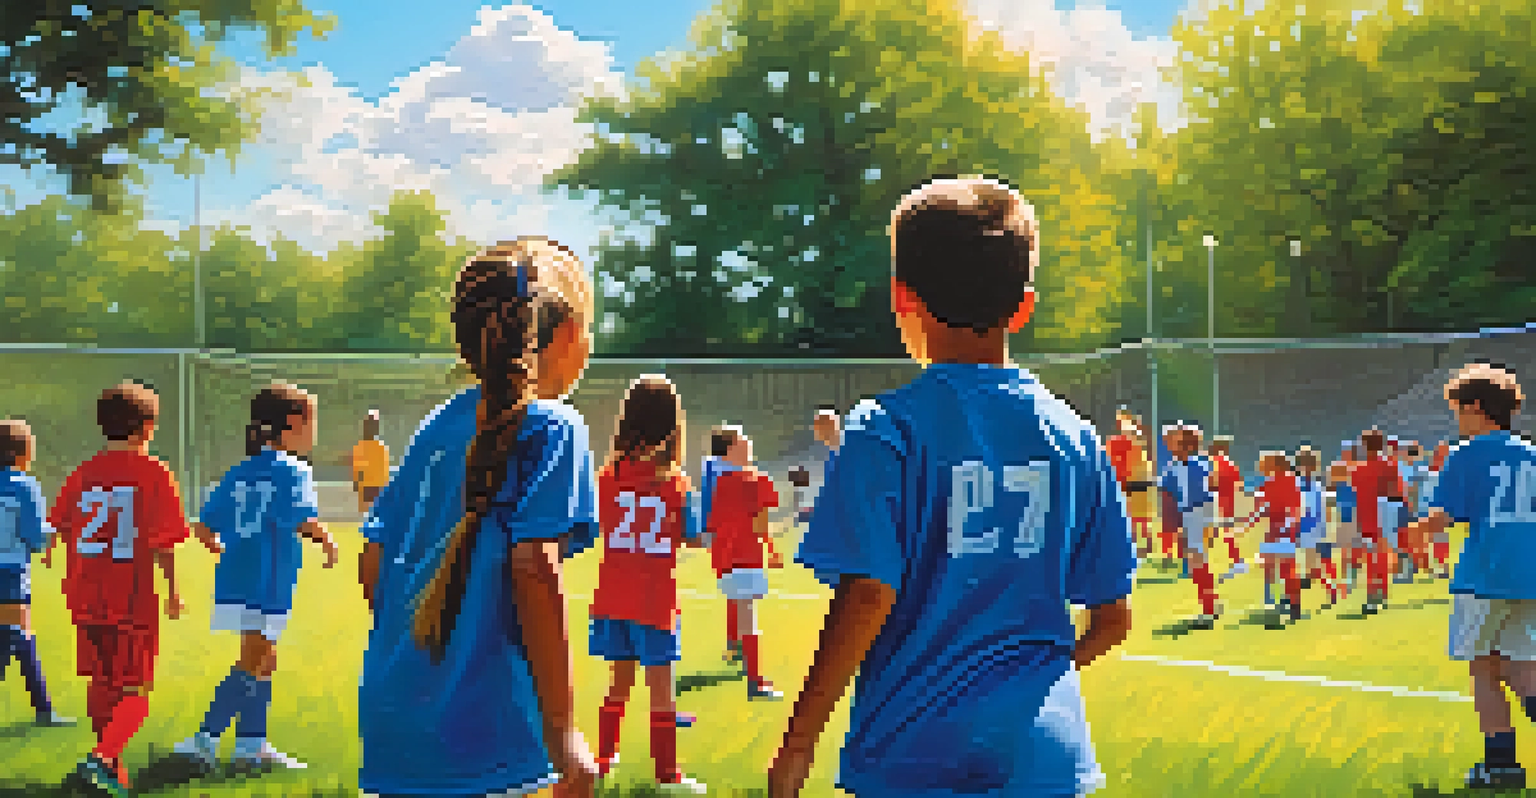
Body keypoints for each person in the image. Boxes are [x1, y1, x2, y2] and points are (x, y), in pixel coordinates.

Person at [769, 177, 1135, 798]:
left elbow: (866, 595)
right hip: (1044, 758)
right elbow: (1113, 618)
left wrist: (799, 740)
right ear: (1024, 307)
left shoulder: (884, 429)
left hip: (916, 753)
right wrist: (1032, 684)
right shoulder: (1076, 437)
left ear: (900, 298)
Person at [356, 238, 600, 798]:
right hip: (494, 737)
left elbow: (373, 564)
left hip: (393, 731)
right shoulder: (555, 428)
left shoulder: (434, 429)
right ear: (563, 336)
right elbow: (535, 566)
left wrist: (423, 656)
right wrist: (562, 733)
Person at [46, 381, 210, 793]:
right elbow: (164, 543)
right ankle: (99, 760)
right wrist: (173, 591)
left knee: (101, 685)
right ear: (149, 427)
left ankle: (109, 771)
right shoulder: (154, 473)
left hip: (83, 594)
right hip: (131, 597)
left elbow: (61, 527)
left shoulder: (84, 472)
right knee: (136, 691)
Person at [171, 384, 339, 772]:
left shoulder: (240, 471)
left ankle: (251, 747)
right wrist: (327, 541)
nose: (315, 432)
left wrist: (219, 548)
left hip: (235, 578)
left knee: (265, 659)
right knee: (253, 660)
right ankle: (202, 741)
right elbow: (301, 516)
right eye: (312, 422)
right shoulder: (294, 469)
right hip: (268, 580)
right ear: (295, 423)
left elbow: (203, 527)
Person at [1402, 362, 1536, 790]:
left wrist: (1414, 531)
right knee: (1522, 665)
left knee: (1483, 667)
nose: (1457, 421)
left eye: (1459, 411)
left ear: (1477, 408)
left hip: (1485, 574)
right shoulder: (1531, 454)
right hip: (1529, 575)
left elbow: (1444, 516)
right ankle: (1503, 767)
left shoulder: (1468, 453)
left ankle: (1501, 766)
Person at [588, 375, 706, 793]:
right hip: (654, 600)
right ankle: (667, 776)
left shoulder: (606, 477)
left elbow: (598, 525)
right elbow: (692, 535)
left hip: (612, 596)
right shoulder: (674, 483)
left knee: (617, 685)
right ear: (673, 426)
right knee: (662, 693)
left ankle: (602, 760)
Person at [0, 419, 73, 727]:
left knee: (16, 635)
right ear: (21, 453)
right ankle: (45, 711)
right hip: (10, 570)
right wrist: (59, 531)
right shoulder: (24, 485)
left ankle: (44, 709)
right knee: (15, 636)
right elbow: (35, 536)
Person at [707, 425, 783, 700]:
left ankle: (738, 655)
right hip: (746, 555)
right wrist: (772, 550)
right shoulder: (756, 479)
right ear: (729, 451)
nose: (748, 443)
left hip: (724, 557)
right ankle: (756, 682)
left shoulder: (721, 483)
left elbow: (715, 524)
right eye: (742, 441)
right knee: (750, 616)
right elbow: (761, 523)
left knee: (742, 610)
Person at [1162, 424, 1220, 627]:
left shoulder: (1185, 465)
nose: (1168, 442)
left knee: (1197, 561)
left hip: (1197, 514)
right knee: (1197, 562)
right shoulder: (1196, 464)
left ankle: (1209, 609)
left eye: (1174, 439)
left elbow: (1169, 496)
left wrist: (1173, 522)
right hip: (1195, 515)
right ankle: (1212, 603)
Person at [1352, 429, 1403, 614]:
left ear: (1364, 446)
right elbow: (1396, 492)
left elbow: (1356, 494)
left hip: (1367, 515)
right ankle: (1381, 594)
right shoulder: (1390, 466)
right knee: (1381, 556)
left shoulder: (1357, 469)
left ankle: (1373, 596)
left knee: (1371, 557)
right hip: (1384, 514)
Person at [1253, 452, 1302, 622]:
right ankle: (1294, 604)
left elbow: (1261, 506)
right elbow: (1295, 506)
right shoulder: (1292, 480)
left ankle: (1272, 599)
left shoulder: (1270, 483)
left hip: (1276, 529)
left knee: (1271, 566)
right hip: (1288, 529)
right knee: (1288, 569)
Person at [1208, 435, 1245, 572]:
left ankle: (1237, 561)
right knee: (1223, 533)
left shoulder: (1219, 462)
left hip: (1220, 502)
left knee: (1217, 533)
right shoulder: (1230, 463)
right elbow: (1239, 484)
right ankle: (1236, 560)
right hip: (1228, 502)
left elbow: (1213, 483)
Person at [352, 410, 391, 513]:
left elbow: (358, 470)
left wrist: (356, 484)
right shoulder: (380, 447)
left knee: (369, 515)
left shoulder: (364, 447)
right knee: (373, 515)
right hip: (372, 487)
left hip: (372, 488)